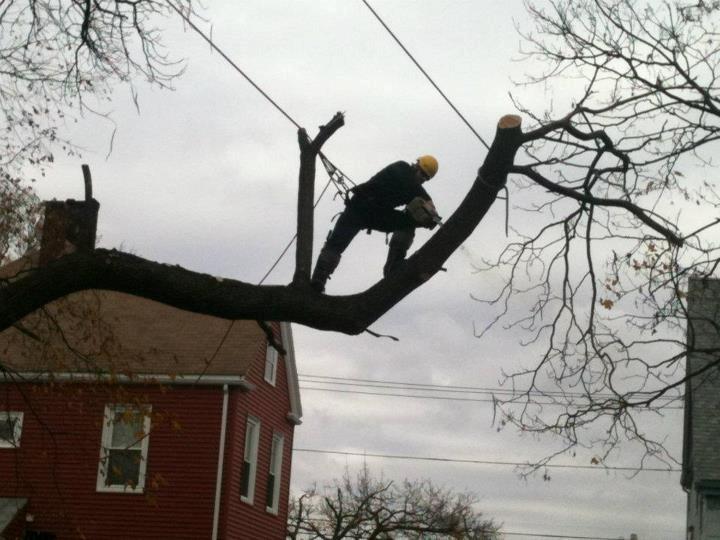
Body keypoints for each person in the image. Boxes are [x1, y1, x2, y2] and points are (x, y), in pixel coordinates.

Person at [310, 155, 441, 293]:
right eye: (422, 174)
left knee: (410, 222)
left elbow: (419, 198)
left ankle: (394, 265)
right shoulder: (401, 168)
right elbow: (413, 186)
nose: (422, 179)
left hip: (379, 215)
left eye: (426, 178)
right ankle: (318, 280)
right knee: (336, 244)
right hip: (359, 207)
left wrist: (430, 217)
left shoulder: (414, 189)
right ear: (415, 166)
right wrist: (429, 203)